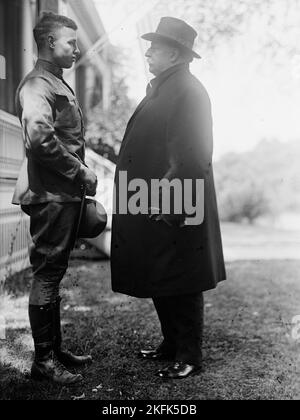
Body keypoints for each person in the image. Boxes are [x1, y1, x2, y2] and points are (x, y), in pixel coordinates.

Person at [111, 17, 226, 379]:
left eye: (155, 46)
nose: (148, 51)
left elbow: (191, 154)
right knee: (161, 272)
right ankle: (171, 344)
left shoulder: (188, 91)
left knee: (183, 276)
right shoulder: (164, 88)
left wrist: (171, 204)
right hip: (152, 197)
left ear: (175, 54)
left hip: (175, 199)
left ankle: (190, 354)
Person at [12, 12, 97, 385]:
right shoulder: (37, 86)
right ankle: (44, 361)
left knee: (55, 273)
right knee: (47, 274)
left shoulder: (53, 81)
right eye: (70, 43)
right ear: (49, 43)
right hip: (51, 193)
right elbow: (40, 139)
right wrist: (80, 172)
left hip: (61, 192)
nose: (76, 49)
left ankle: (54, 350)